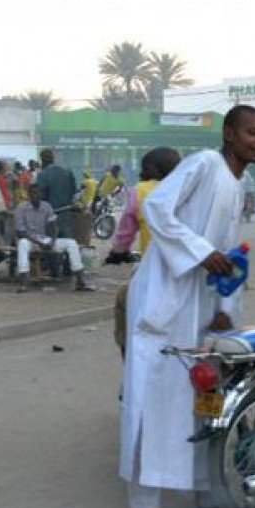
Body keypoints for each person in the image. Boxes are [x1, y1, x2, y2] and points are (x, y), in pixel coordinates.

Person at [119, 105, 255, 508]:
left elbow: (229, 255)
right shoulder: (204, 164)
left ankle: (205, 489)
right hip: (165, 299)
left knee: (205, 398)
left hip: (203, 306)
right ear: (229, 133)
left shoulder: (239, 185)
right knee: (152, 401)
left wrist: (225, 307)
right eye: (252, 132)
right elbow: (157, 208)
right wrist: (201, 253)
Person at [106, 147, 182, 358]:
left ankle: (128, 357)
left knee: (124, 300)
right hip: (187, 273)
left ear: (157, 170)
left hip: (154, 274)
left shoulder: (140, 191)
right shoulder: (188, 189)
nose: (141, 173)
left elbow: (125, 232)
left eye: (145, 168)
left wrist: (117, 252)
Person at [13, 185, 91, 293]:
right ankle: (24, 283)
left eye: (38, 193)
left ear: (42, 195)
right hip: (30, 240)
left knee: (71, 243)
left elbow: (53, 227)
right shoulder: (21, 208)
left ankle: (80, 282)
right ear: (29, 195)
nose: (36, 195)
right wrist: (39, 243)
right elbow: (20, 232)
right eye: (33, 193)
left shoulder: (47, 207)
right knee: (22, 243)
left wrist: (52, 242)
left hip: (45, 240)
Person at [34, 149, 77, 240]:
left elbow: (39, 196)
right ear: (53, 158)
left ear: (42, 160)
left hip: (50, 215)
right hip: (66, 214)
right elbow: (74, 192)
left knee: (50, 243)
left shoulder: (43, 174)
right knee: (66, 243)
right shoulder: (68, 171)